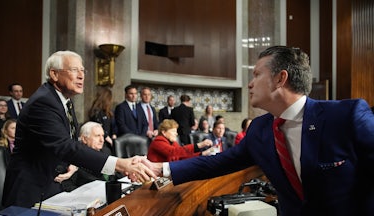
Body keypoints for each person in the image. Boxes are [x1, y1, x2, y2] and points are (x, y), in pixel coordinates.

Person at [142, 46, 374, 216]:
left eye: (256, 75)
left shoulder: (346, 116)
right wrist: (161, 168)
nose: (250, 84)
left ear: (280, 78)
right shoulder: (261, 130)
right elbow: (218, 163)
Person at [2, 51, 155, 208]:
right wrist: (120, 164)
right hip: (29, 191)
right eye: (74, 70)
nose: (81, 75)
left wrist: (72, 164)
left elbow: (68, 140)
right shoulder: (43, 102)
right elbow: (64, 146)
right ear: (54, 74)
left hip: (52, 185)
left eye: (83, 70)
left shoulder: (64, 101)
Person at [54, 122, 123, 190]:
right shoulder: (75, 159)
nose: (102, 140)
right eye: (97, 136)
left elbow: (113, 176)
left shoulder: (106, 151)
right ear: (84, 139)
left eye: (103, 136)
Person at [147, 119, 213, 162]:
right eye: (173, 131)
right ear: (164, 132)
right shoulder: (158, 141)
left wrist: (202, 154)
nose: (176, 134)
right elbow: (172, 153)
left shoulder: (172, 142)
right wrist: (199, 145)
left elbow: (182, 156)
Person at [88, 87, 117, 155]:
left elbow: (113, 125)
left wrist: (114, 134)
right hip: (102, 142)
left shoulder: (109, 111)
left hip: (109, 142)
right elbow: (99, 127)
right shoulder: (96, 112)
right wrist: (109, 139)